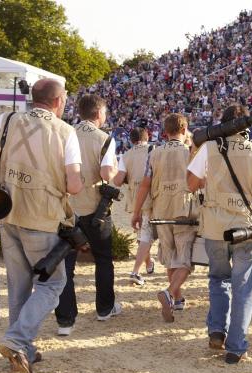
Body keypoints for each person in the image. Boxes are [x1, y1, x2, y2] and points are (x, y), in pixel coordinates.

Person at [0, 79, 83, 373]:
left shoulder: (7, 119)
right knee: (53, 284)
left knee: (18, 286)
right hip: (43, 217)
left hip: (7, 212)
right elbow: (74, 185)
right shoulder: (65, 131)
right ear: (58, 101)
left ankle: (23, 351)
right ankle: (17, 340)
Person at [187, 105, 252, 363]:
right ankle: (236, 346)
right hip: (245, 226)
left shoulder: (209, 147)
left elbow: (190, 183)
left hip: (214, 226)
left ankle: (216, 331)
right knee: (244, 288)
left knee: (218, 279)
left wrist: (211, 180)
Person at [54, 94, 120, 336]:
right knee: (103, 259)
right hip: (94, 207)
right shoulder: (105, 139)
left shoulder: (64, 133)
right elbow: (106, 173)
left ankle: (65, 320)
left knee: (65, 265)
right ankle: (104, 308)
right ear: (99, 114)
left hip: (67, 209)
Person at [131, 114, 196, 322]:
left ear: (165, 132)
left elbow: (145, 184)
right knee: (185, 259)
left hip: (161, 210)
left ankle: (177, 299)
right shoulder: (190, 153)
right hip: (184, 209)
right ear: (184, 130)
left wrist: (136, 211)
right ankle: (169, 292)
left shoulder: (154, 153)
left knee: (170, 257)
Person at [113, 127, 156, 285]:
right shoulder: (154, 149)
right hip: (153, 197)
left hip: (135, 198)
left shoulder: (126, 155)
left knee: (143, 235)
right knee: (146, 235)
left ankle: (148, 263)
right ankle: (136, 271)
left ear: (131, 140)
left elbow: (117, 181)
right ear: (147, 136)